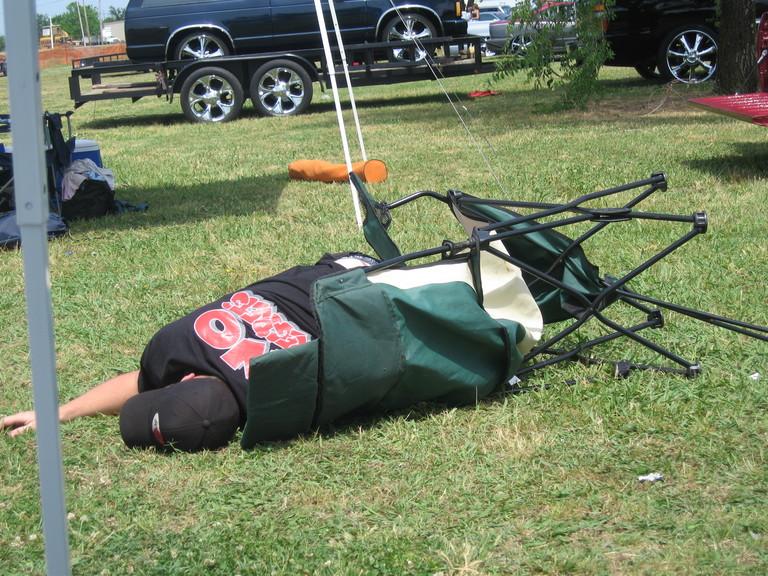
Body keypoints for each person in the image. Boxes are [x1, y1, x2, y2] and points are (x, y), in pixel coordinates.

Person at [0, 252, 377, 452]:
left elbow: (139, 382)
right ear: (189, 378)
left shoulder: (277, 407)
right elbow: (141, 382)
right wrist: (59, 412)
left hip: (374, 298)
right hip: (344, 269)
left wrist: (62, 413)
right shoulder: (177, 342)